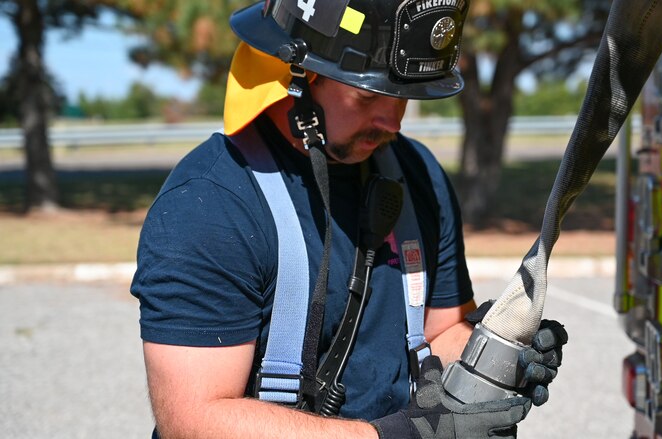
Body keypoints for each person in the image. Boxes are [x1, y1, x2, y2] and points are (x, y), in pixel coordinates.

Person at [131, 1, 567, 438]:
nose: (391, 121)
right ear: (299, 77)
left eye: (403, 96)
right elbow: (194, 420)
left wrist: (495, 352)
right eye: (368, 95)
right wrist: (395, 436)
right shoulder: (209, 205)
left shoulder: (419, 175)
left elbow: (440, 331)